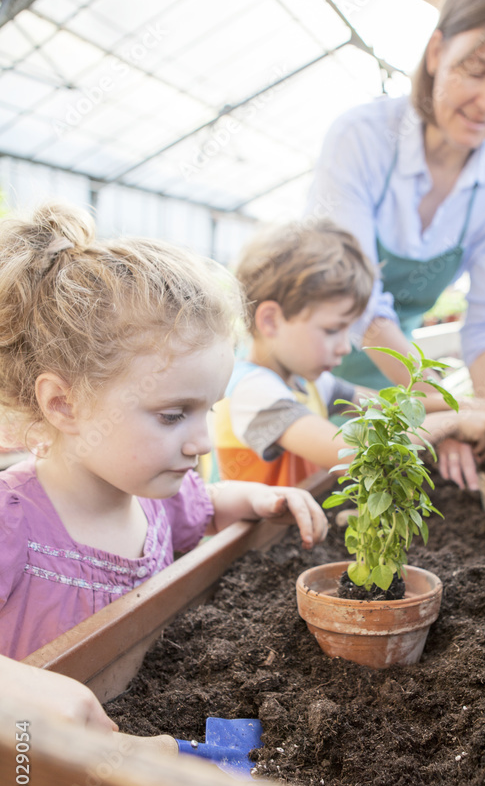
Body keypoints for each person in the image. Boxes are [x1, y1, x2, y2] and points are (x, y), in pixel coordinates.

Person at [0, 202, 328, 729]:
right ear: (63, 403)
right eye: (173, 415)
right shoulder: (12, 523)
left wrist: (261, 500)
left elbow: (207, 508)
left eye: (209, 411)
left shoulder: (157, 497)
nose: (201, 442)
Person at [305, 0, 485, 489]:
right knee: (302, 504)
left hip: (400, 398)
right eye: (476, 68)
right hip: (307, 387)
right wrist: (445, 409)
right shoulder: (363, 140)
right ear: (438, 51)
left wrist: (484, 418)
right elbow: (357, 303)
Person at [215, 220, 485, 486]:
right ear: (270, 320)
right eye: (332, 330)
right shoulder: (253, 390)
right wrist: (452, 422)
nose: (345, 346)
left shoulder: (309, 382)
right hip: (255, 539)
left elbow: (389, 409)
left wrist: (473, 406)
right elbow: (355, 457)